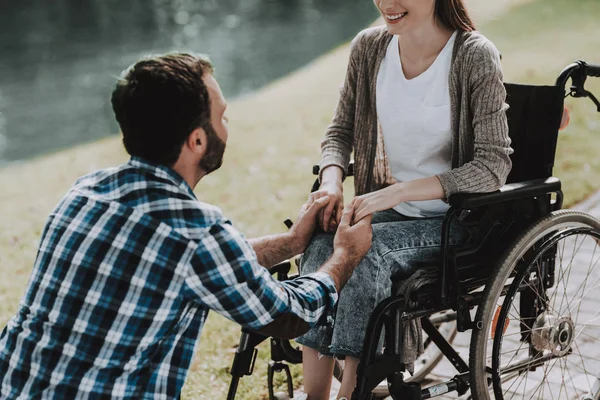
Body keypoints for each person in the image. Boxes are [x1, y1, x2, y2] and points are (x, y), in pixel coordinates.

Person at [0, 53, 373, 399]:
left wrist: (293, 241)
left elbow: (199, 262)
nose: (227, 126)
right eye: (222, 117)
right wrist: (344, 256)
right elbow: (289, 315)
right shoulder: (196, 232)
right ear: (197, 140)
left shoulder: (85, 192)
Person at [296, 0, 513, 399]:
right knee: (320, 245)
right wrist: (330, 183)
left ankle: (351, 394)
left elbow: (492, 165)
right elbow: (339, 132)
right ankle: (314, 395)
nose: (387, 4)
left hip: (455, 220)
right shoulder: (369, 47)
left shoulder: (473, 55)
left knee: (365, 251)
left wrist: (398, 191)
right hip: (390, 210)